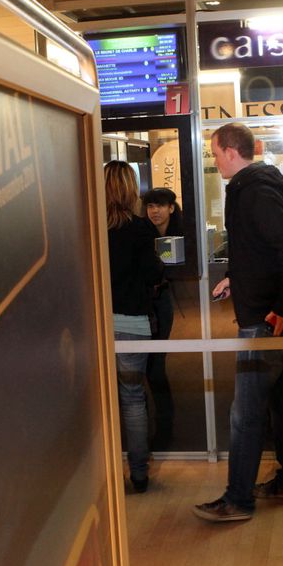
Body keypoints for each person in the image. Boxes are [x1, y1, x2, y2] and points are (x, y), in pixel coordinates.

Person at [194, 123, 283, 522]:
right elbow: (262, 252)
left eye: (214, 153)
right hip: (269, 313)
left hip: (265, 320)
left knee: (245, 413)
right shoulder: (252, 190)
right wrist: (235, 279)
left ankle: (238, 499)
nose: (214, 160)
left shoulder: (255, 192)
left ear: (229, 151)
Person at [105, 161, 164, 493]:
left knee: (97, 401)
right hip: (132, 323)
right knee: (132, 399)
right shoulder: (140, 229)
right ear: (130, 189)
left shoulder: (89, 226)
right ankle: (138, 474)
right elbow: (153, 273)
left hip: (96, 324)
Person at [141, 187, 182, 449]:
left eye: (159, 205)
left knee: (155, 367)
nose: (154, 211)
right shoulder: (142, 234)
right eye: (150, 206)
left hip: (163, 303)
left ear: (171, 208)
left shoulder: (182, 233)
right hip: (143, 304)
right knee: (145, 368)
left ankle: (165, 425)